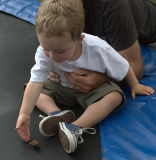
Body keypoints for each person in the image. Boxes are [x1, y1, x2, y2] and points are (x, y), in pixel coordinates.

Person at [16, 0, 154, 153]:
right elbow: (35, 82)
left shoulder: (96, 47)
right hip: (62, 85)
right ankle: (57, 114)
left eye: (60, 51)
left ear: (79, 40)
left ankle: (76, 126)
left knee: (114, 97)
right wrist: (24, 113)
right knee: (32, 89)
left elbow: (123, 65)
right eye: (46, 48)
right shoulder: (44, 50)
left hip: (92, 89)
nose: (52, 56)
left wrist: (135, 85)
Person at [49, 0, 156, 93]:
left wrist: (102, 79)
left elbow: (135, 66)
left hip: (151, 37)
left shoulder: (112, 6)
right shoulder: (52, 7)